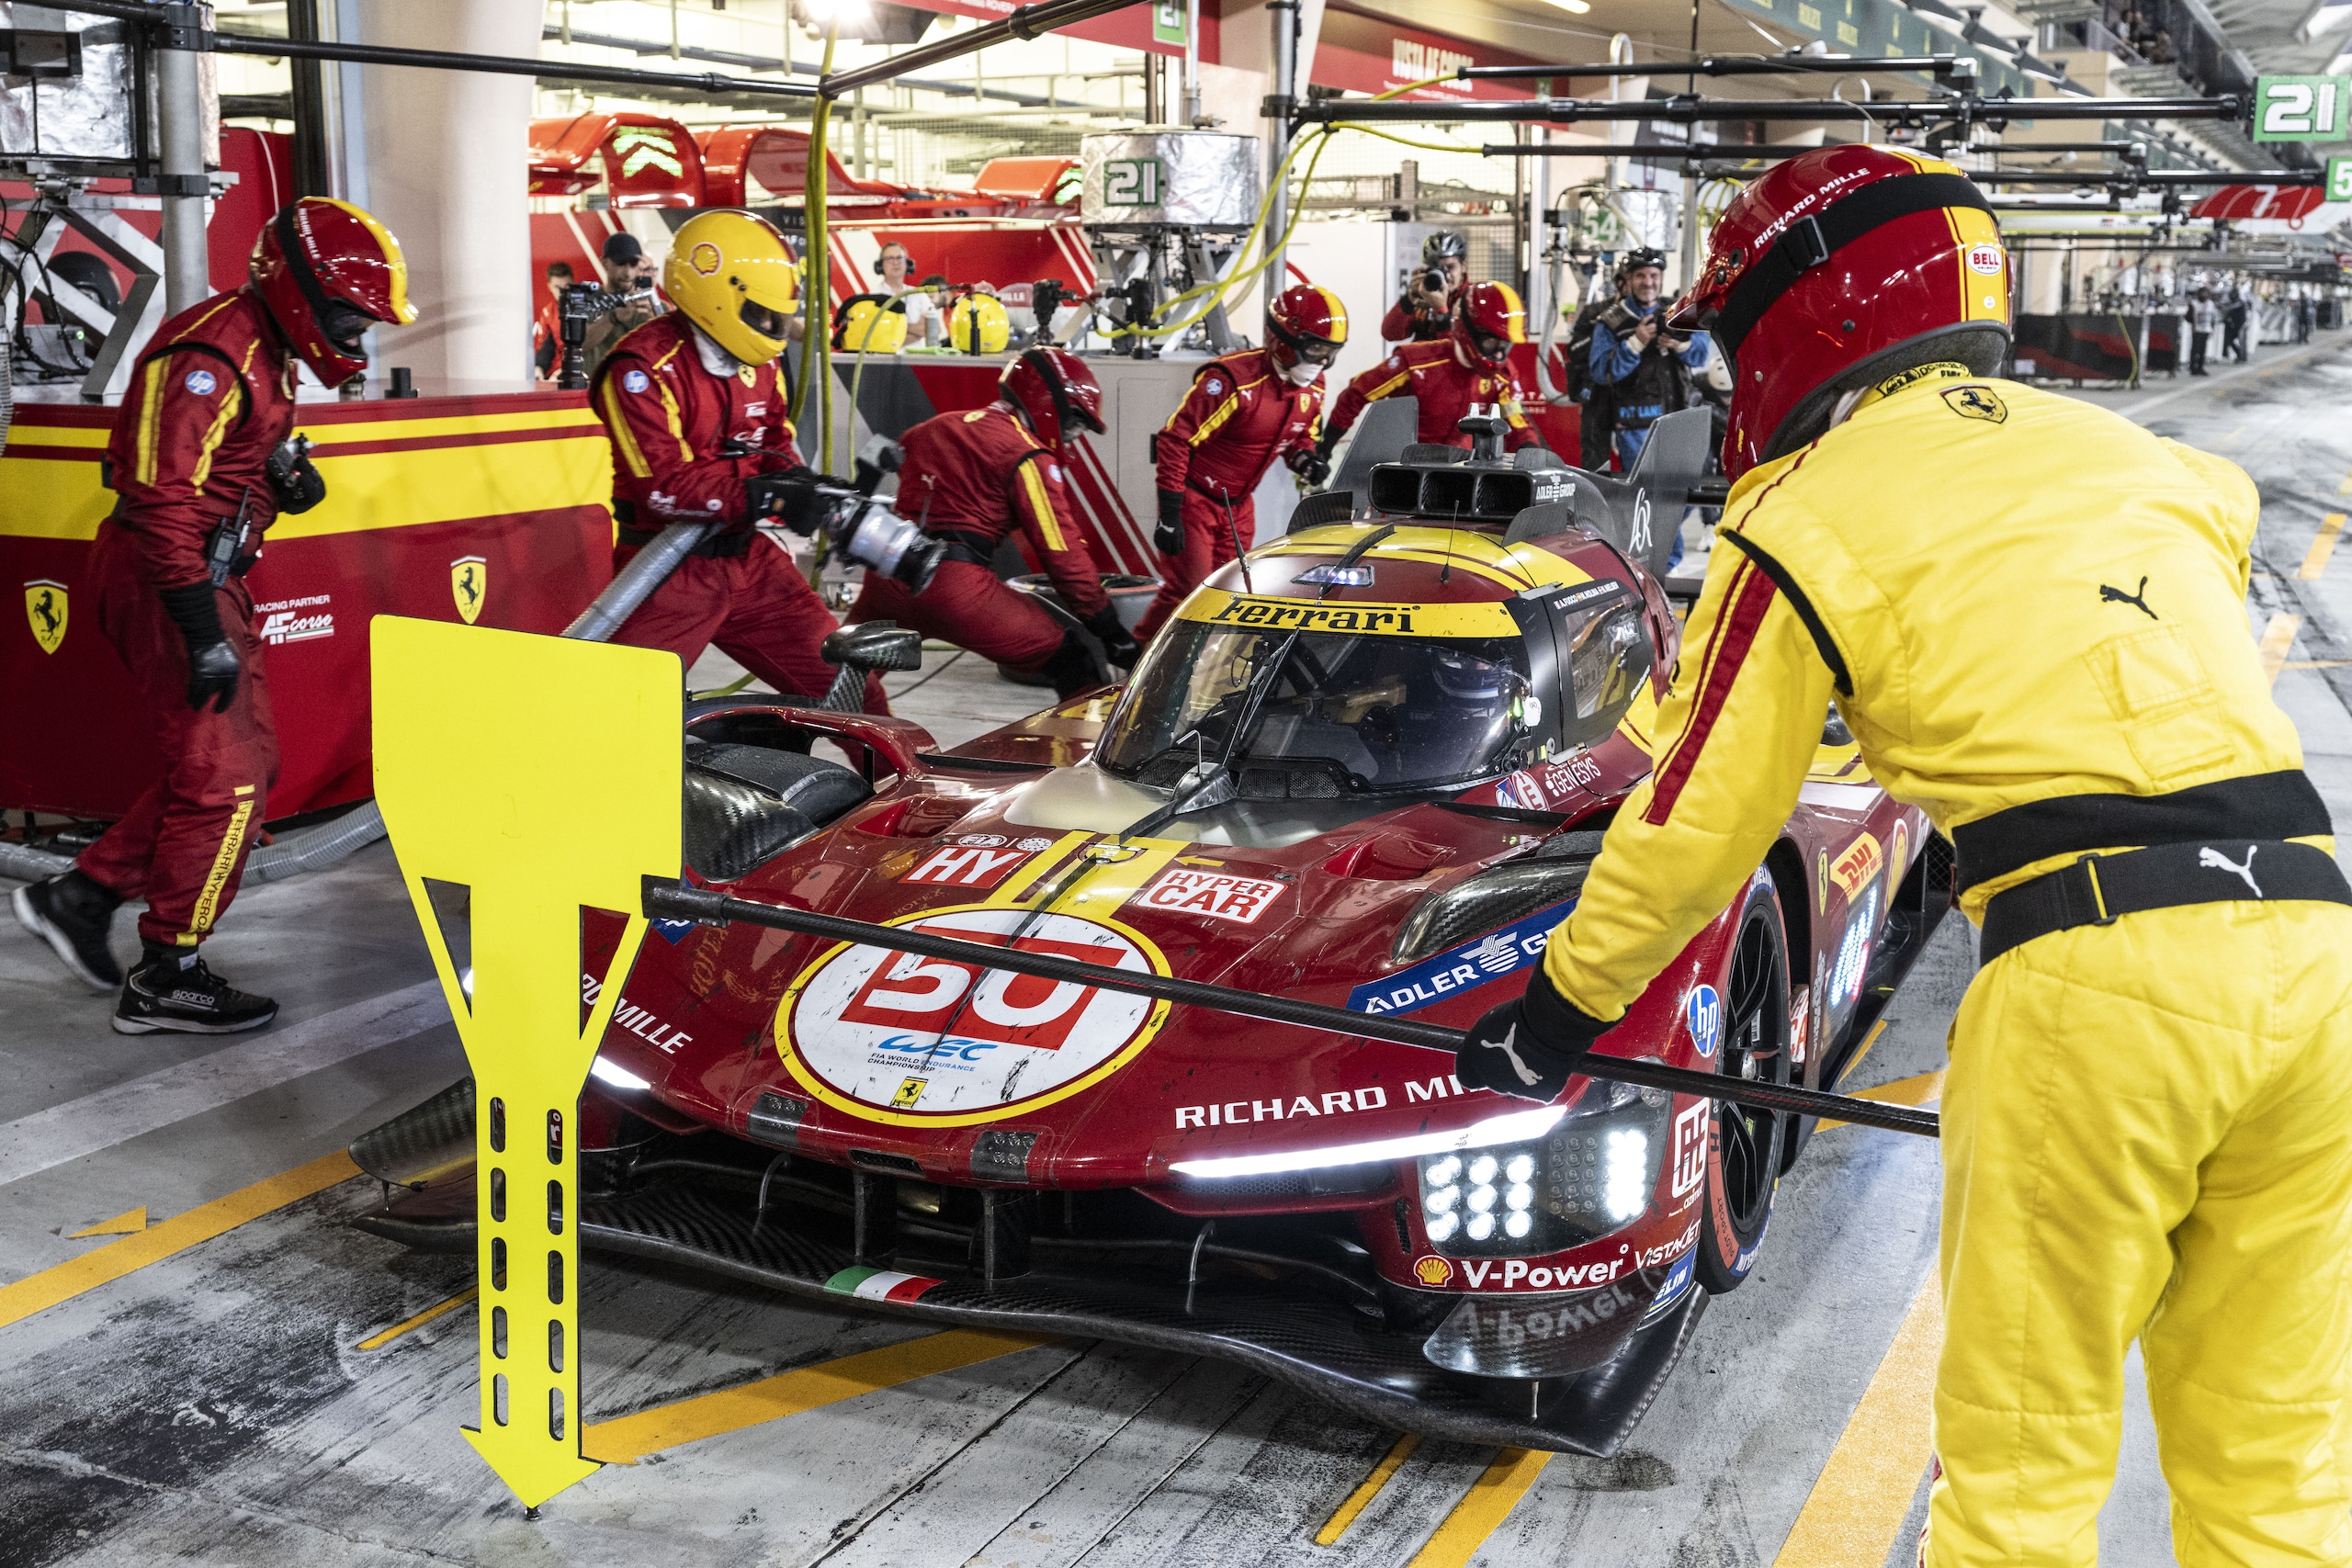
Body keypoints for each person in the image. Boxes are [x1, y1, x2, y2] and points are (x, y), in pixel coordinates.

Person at [1453, 144, 2352, 1568]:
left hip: (2100, 980)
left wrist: (1557, 1013)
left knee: (2023, 1469)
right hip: (2318, 957)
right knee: (2276, 1460)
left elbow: (1698, 815)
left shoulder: (1805, 510)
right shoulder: (2150, 463)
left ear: (1812, 308)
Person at [12, 197, 411, 1033]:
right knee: (224, 783)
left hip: (203, 578)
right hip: (173, 583)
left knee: (240, 770)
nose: (354, 338)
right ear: (297, 288)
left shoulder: (262, 347)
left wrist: (280, 476)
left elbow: (223, 457)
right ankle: (168, 972)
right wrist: (199, 632)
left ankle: (82, 897)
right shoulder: (215, 351)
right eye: (347, 316)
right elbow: (159, 502)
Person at [593, 209, 881, 712]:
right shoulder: (638, 369)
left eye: (778, 315)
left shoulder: (761, 361)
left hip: (751, 560)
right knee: (621, 714)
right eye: (762, 314)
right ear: (717, 296)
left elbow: (774, 443)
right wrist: (767, 495)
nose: (773, 328)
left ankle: (894, 789)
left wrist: (804, 488)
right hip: (667, 570)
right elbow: (663, 488)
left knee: (855, 691)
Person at [846, 347, 1139, 698]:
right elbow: (1063, 556)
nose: (1071, 438)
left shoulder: (931, 428)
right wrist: (1109, 629)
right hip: (956, 589)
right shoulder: (1028, 456)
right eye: (1074, 424)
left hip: (888, 576)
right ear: (1048, 403)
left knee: (841, 678)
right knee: (1073, 659)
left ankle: (820, 749)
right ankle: (1081, 753)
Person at [1137, 284, 1346, 642]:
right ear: (1284, 340)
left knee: (1229, 593)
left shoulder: (1315, 386)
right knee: (1188, 594)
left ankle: (1195, 668)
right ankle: (1136, 656)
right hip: (1195, 502)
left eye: (1329, 353)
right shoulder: (1232, 382)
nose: (1321, 362)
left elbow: (1298, 436)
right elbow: (1176, 439)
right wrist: (1170, 512)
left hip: (1239, 507)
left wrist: (1306, 459)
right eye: (1315, 350)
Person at [1318, 283, 1543, 461]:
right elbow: (1356, 393)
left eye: (1505, 346)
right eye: (1492, 343)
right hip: (1403, 476)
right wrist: (1325, 447)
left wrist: (1532, 454)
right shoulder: (1415, 363)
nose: (1500, 355)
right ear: (1469, 330)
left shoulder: (1502, 376)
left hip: (1461, 479)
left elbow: (1516, 420)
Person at [1589, 246, 1711, 475]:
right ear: (1629, 279)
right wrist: (1634, 344)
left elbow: (1700, 356)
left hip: (1677, 419)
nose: (1648, 282)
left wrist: (1680, 345)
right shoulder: (1610, 322)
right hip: (1635, 425)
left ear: (1662, 277)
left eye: (1654, 275)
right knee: (1643, 497)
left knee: (1681, 496)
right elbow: (1600, 372)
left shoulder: (1676, 312)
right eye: (1640, 275)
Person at [580, 231, 664, 379]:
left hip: (644, 390)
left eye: (633, 264)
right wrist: (612, 318)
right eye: (621, 264)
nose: (628, 272)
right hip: (597, 390)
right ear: (605, 264)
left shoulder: (655, 304)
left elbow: (669, 353)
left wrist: (654, 322)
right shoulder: (586, 300)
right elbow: (577, 347)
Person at [1379, 231, 1467, 344]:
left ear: (1463, 266)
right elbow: (1390, 334)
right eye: (1437, 268)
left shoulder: (1471, 299)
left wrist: (1441, 311)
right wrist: (1409, 299)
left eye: (1450, 267)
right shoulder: (1424, 294)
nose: (1446, 275)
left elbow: (1458, 351)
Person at [876, 241, 940, 347]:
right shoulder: (873, 296)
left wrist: (894, 330)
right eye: (890, 258)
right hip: (884, 360)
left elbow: (934, 328)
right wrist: (917, 331)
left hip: (917, 360)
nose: (895, 262)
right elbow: (879, 335)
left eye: (900, 258)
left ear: (908, 264)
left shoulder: (919, 294)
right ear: (880, 265)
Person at [533, 259, 573, 380]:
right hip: (554, 373)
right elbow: (546, 348)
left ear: (574, 283)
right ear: (549, 287)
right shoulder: (548, 312)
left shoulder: (586, 306)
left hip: (580, 369)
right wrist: (538, 367)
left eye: (567, 286)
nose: (563, 292)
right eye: (557, 287)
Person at [2188, 287, 2216, 376]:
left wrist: (2211, 329)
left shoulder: (2210, 304)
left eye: (2205, 293)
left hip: (2206, 330)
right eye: (2202, 293)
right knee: (2195, 350)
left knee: (2202, 350)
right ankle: (2193, 368)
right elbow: (2188, 317)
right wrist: (2194, 322)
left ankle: (2200, 367)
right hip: (2197, 330)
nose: (2203, 295)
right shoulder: (2194, 304)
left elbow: (2212, 318)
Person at [2222, 283, 2249, 365]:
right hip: (2234, 326)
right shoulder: (2233, 303)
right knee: (2229, 340)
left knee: (2241, 342)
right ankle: (2239, 355)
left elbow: (2231, 308)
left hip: (2241, 325)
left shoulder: (2240, 303)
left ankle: (2242, 357)